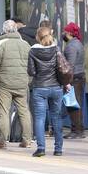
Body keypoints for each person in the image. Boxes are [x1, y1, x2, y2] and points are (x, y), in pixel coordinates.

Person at [0, 21, 32, 150]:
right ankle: (27, 140)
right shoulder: (26, 44)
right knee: (24, 111)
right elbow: (31, 65)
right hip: (22, 83)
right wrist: (28, 80)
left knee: (3, 111)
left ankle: (2, 141)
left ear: (5, 31)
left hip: (4, 84)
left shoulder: (1, 45)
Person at [28, 25, 65, 157]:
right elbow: (61, 67)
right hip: (56, 87)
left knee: (39, 118)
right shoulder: (56, 49)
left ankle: (41, 148)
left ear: (38, 37)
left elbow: (31, 71)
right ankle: (58, 149)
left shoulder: (33, 51)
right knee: (56, 117)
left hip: (40, 87)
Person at [61, 23, 86, 139]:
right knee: (77, 104)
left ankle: (76, 130)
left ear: (70, 33)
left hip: (73, 78)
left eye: (65, 32)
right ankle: (79, 129)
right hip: (79, 76)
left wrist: (67, 81)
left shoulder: (71, 46)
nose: (63, 34)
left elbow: (69, 65)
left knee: (73, 104)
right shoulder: (78, 43)